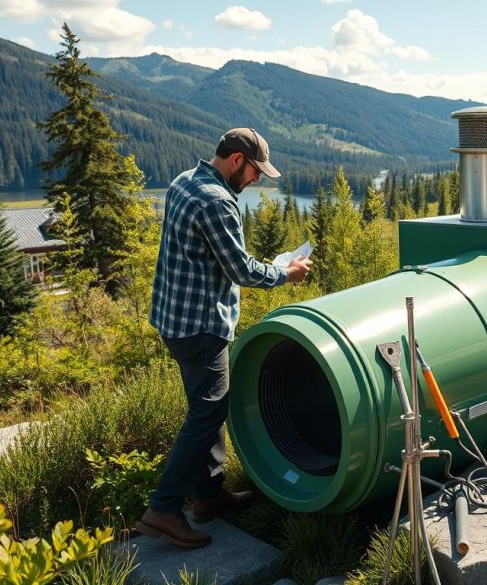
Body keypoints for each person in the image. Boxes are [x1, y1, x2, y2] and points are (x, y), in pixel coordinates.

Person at [137, 128, 313, 548]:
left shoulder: (185, 181)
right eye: (255, 172)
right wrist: (286, 272)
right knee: (207, 415)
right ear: (237, 160)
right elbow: (241, 270)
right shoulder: (218, 202)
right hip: (201, 325)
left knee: (206, 407)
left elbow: (212, 258)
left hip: (173, 318)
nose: (255, 180)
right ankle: (163, 507)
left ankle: (209, 496)